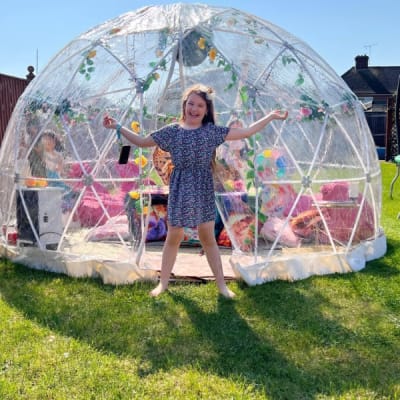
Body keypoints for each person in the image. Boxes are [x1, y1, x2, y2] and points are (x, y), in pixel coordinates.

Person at [103, 84, 288, 298]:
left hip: (202, 187)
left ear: (207, 110)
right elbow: (143, 142)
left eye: (200, 105)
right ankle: (163, 283)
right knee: (174, 235)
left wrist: (271, 117)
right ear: (184, 105)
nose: (194, 108)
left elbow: (246, 132)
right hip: (180, 186)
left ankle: (221, 286)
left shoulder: (211, 132)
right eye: (191, 103)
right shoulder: (172, 131)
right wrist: (118, 127)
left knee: (207, 237)